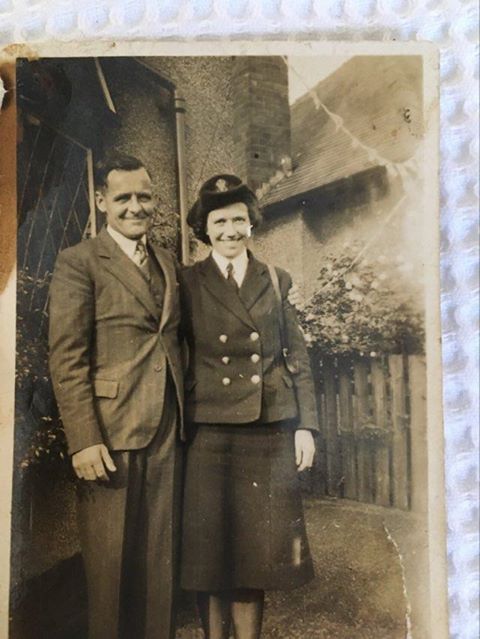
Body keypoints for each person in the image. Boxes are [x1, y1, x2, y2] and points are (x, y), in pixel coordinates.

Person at [48, 152, 184, 639]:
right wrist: (83, 439)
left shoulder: (168, 262)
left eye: (143, 196)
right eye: (123, 197)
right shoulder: (78, 262)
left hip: (168, 432)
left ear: (155, 202)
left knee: (160, 570)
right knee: (110, 575)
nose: (134, 206)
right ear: (102, 201)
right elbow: (67, 358)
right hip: (108, 437)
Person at [179, 174, 319, 639]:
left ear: (251, 223)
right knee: (209, 555)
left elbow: (295, 356)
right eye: (220, 221)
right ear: (205, 228)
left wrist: (306, 427)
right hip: (209, 432)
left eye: (239, 219)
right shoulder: (187, 282)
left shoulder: (276, 280)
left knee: (255, 555)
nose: (231, 231)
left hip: (267, 431)